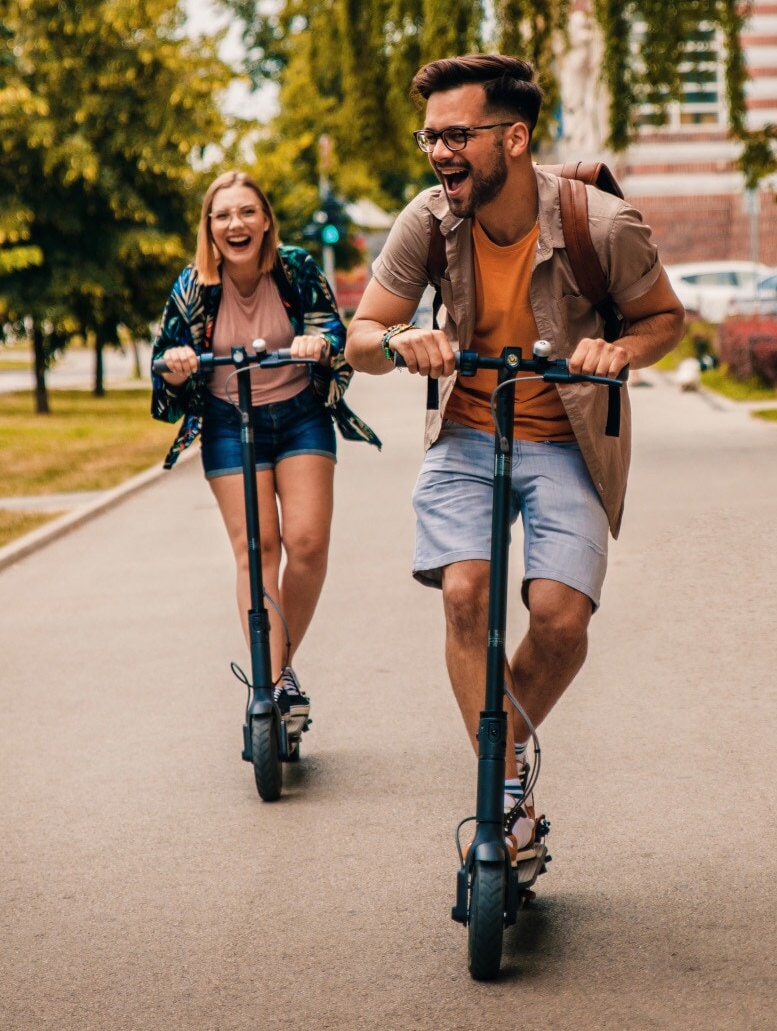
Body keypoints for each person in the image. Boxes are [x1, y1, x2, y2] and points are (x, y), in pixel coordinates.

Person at [347, 54, 686, 853]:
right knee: (465, 592)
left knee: (561, 622)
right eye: (431, 137)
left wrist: (620, 352)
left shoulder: (601, 226)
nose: (440, 153)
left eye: (458, 135)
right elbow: (359, 338)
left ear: (515, 137)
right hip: (466, 432)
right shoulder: (426, 222)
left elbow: (665, 318)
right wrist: (401, 340)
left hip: (567, 439)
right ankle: (503, 801)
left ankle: (504, 760)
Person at [153, 171, 380, 720]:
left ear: (266, 221)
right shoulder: (192, 288)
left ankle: (275, 672)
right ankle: (276, 683)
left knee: (306, 545)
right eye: (224, 214)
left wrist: (318, 343)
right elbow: (164, 369)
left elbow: (336, 335)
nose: (237, 223)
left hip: (301, 416)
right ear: (209, 227)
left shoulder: (296, 268)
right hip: (230, 423)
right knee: (258, 550)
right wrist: (178, 368)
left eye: (247, 212)